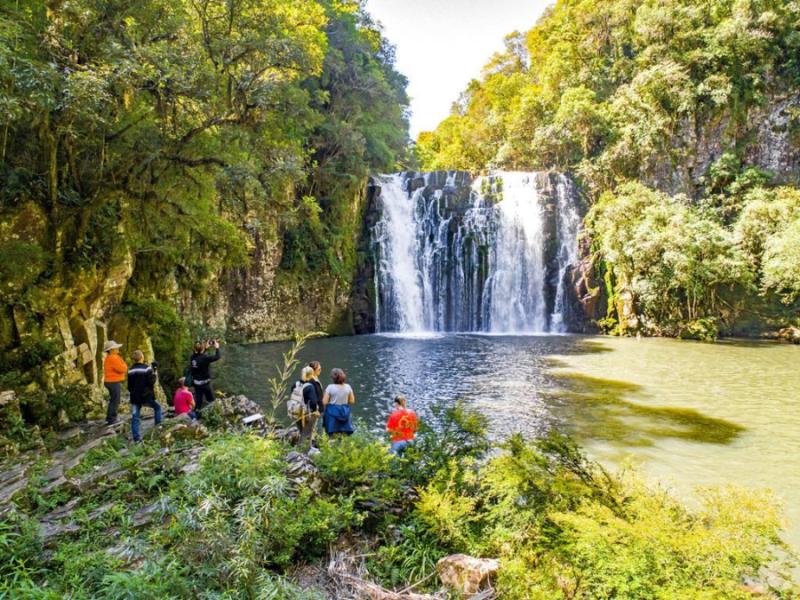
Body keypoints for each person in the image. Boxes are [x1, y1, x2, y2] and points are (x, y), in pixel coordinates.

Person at [128, 350, 162, 442]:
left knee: (135, 417)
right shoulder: (147, 368)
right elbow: (151, 382)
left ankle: (136, 438)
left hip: (135, 397)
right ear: (142, 357)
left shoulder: (130, 370)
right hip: (146, 396)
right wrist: (154, 370)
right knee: (158, 408)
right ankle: (158, 428)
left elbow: (129, 386)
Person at [322, 368, 355, 436]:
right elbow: (352, 401)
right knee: (344, 435)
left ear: (333, 377)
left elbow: (324, 402)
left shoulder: (330, 387)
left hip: (332, 414)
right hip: (345, 412)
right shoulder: (348, 387)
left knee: (332, 435)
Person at [190, 339, 221, 411]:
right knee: (211, 401)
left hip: (196, 383)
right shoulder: (205, 358)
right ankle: (213, 413)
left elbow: (199, 356)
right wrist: (217, 347)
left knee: (198, 400)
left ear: (194, 348)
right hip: (205, 384)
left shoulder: (192, 357)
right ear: (202, 348)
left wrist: (206, 348)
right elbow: (217, 356)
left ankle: (196, 414)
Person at [103, 340, 127, 425]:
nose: (118, 348)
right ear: (111, 350)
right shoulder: (113, 358)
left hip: (110, 381)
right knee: (115, 400)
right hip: (113, 382)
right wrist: (123, 364)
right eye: (116, 348)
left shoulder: (111, 357)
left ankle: (110, 418)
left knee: (114, 400)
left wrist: (122, 363)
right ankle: (111, 419)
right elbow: (123, 369)